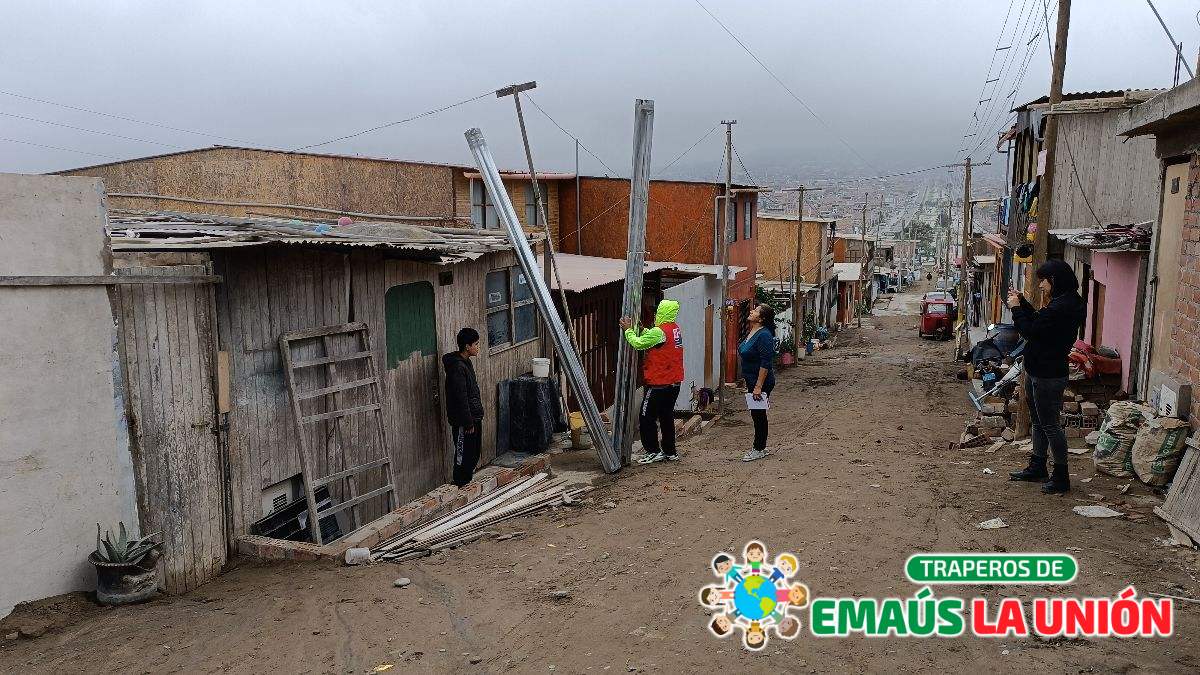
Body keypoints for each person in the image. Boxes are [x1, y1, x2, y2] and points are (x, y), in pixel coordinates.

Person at [1007, 260, 1086, 494]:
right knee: (1039, 421)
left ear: (1054, 281)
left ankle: (1061, 475)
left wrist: (1015, 309)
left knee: (1050, 424)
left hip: (1047, 374)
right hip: (1038, 370)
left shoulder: (1061, 307)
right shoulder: (1065, 303)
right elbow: (1040, 323)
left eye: (1043, 280)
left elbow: (1030, 331)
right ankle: (1038, 465)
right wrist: (1023, 303)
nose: (1040, 285)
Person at [619, 299, 685, 465]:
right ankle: (670, 452)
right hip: (674, 383)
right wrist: (642, 330)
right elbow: (657, 340)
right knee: (666, 417)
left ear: (662, 313)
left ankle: (653, 451)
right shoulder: (674, 329)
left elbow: (638, 344)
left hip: (659, 384)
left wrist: (628, 331)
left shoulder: (659, 331)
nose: (655, 315)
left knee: (646, 416)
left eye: (657, 312)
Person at [443, 327, 484, 487]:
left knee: (473, 453)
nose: (477, 347)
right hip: (464, 421)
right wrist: (467, 423)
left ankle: (466, 484)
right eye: (476, 344)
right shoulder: (457, 367)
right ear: (467, 346)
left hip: (474, 416)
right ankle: (459, 484)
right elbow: (461, 398)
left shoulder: (466, 362)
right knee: (463, 455)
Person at [739, 304, 777, 462]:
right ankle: (760, 447)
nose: (751, 311)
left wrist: (758, 387)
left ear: (761, 319)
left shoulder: (764, 336)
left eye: (755, 311)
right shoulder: (753, 331)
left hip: (761, 382)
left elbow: (766, 362)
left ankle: (759, 448)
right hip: (751, 380)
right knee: (757, 414)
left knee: (758, 414)